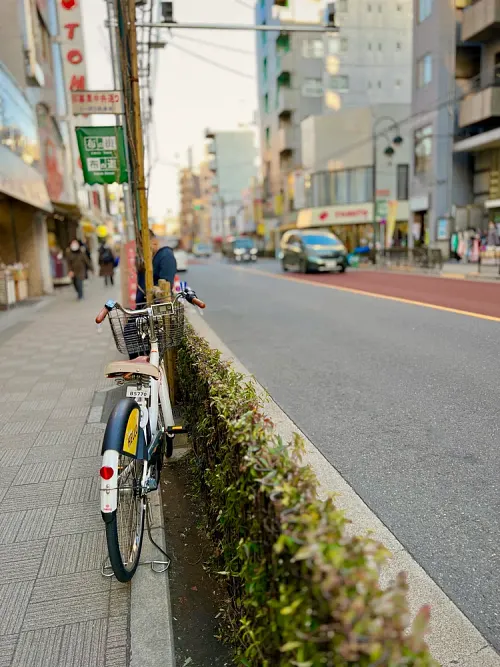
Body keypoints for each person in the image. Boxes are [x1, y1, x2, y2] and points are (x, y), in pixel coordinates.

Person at [135, 229, 177, 305]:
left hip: (158, 305)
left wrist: (153, 291)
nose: (140, 248)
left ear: (154, 242)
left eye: (142, 245)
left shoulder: (166, 256)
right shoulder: (150, 258)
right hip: (145, 305)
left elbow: (166, 285)